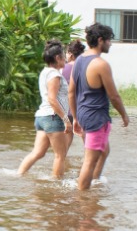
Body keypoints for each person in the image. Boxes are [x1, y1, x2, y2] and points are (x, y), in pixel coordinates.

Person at [68, 22, 130, 191]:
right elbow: (114, 96)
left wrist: (75, 118)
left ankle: (94, 182)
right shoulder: (101, 65)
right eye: (109, 40)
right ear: (101, 40)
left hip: (84, 114)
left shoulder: (79, 60)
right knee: (90, 160)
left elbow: (71, 92)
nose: (110, 44)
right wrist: (124, 115)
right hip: (96, 117)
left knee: (104, 150)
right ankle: (83, 200)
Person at [16, 40, 71, 178]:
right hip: (53, 117)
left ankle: (18, 175)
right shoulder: (55, 75)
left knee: (38, 153)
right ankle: (57, 187)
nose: (65, 59)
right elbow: (52, 99)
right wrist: (66, 120)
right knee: (60, 155)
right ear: (57, 58)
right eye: (63, 56)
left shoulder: (45, 72)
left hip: (42, 117)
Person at [59, 38, 86, 153]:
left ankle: (63, 166)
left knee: (64, 148)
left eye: (66, 53)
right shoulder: (85, 68)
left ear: (70, 54)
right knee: (88, 144)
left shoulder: (61, 69)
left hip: (65, 109)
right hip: (82, 108)